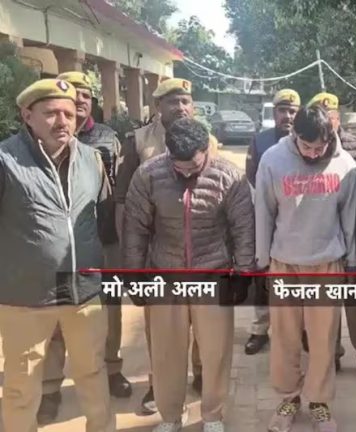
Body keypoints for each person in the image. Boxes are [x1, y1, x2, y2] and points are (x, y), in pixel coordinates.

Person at [122, 117, 254, 432]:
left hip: (213, 276)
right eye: (178, 168)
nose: (185, 173)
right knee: (166, 354)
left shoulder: (229, 177)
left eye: (193, 167)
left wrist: (243, 272)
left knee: (215, 353)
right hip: (165, 277)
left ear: (205, 149)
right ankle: (170, 415)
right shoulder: (149, 175)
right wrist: (133, 275)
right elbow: (135, 228)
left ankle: (213, 415)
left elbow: (243, 227)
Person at [0, 79, 116, 432]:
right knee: (21, 386)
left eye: (68, 113)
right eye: (51, 113)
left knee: (93, 373)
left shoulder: (91, 159)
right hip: (26, 295)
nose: (63, 121)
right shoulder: (6, 160)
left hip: (83, 291)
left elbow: (101, 217)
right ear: (27, 115)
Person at [114, 78, 217, 414]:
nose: (181, 107)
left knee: (205, 327)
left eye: (186, 100)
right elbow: (123, 203)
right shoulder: (138, 141)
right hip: (158, 257)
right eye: (173, 101)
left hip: (202, 254)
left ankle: (201, 375)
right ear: (158, 106)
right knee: (161, 332)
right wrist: (132, 260)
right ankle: (158, 385)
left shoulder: (209, 140)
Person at [254, 105, 356, 432]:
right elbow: (263, 213)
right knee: (284, 337)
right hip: (284, 262)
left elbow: (350, 218)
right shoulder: (272, 160)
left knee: (323, 339)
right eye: (307, 146)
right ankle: (289, 397)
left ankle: (318, 402)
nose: (314, 154)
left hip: (327, 263)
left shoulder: (346, 165)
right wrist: (261, 261)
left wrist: (353, 261)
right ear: (294, 135)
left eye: (320, 147)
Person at [34, 71, 129, 425]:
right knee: (55, 314)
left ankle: (111, 368)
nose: (79, 101)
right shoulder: (37, 144)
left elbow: (114, 191)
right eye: (73, 95)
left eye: (85, 95)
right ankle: (49, 387)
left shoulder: (108, 138)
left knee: (107, 311)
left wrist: (116, 239)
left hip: (103, 240)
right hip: (55, 246)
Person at [306, 92, 356, 382]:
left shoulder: (355, 146)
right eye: (324, 116)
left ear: (338, 118)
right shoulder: (307, 147)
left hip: (352, 231)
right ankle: (332, 354)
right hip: (322, 236)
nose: (329, 121)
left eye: (333, 116)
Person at [243, 89, 301, 356]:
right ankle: (259, 329)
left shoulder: (306, 138)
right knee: (262, 275)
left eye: (293, 111)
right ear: (274, 113)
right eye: (282, 110)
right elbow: (252, 176)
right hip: (266, 216)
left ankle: (301, 329)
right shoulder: (261, 140)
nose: (287, 116)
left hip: (296, 220)